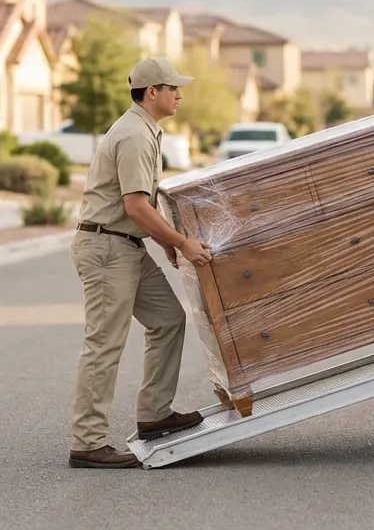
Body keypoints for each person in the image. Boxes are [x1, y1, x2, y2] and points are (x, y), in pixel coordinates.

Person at [68, 56, 215, 469]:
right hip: (107, 250)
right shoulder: (133, 135)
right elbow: (134, 205)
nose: (180, 95)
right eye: (173, 89)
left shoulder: (146, 130)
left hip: (127, 246)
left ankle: (154, 414)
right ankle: (87, 442)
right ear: (152, 91)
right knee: (104, 344)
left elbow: (142, 204)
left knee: (168, 319)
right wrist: (182, 242)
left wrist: (165, 242)